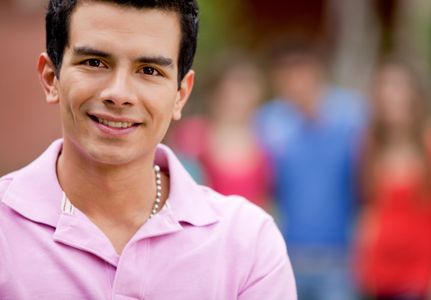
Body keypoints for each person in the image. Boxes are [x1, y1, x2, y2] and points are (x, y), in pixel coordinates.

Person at [0, 1, 296, 299]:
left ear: (181, 95)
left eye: (149, 70)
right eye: (94, 62)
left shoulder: (246, 244)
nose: (119, 94)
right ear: (51, 78)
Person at [255, 41, 365, 300]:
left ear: (318, 71)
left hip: (341, 259)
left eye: (301, 72)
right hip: (286, 256)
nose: (295, 82)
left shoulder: (354, 115)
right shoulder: (267, 121)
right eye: (286, 75)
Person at [354, 59, 431, 300]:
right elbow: (370, 212)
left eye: (399, 87)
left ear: (416, 94)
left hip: (421, 279)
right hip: (379, 278)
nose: (392, 96)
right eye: (384, 88)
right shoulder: (371, 146)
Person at [170, 52, 273, 210]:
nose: (238, 100)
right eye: (232, 91)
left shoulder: (268, 138)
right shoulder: (193, 134)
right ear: (215, 93)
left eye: (246, 90)